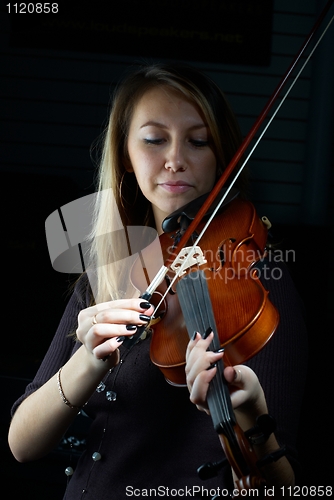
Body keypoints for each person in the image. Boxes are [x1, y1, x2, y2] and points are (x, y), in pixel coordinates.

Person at [8, 63, 308, 499]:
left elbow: (284, 488)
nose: (175, 159)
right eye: (154, 139)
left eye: (198, 141)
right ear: (126, 156)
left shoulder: (257, 282)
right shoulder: (109, 272)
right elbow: (22, 444)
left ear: (221, 156)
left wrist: (251, 415)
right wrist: (87, 361)